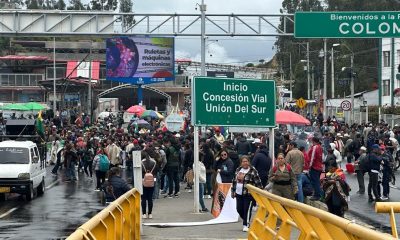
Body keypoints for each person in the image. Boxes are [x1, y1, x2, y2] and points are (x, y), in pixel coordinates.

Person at [231, 156, 263, 232]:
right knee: (239, 209)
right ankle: (246, 219)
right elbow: (234, 181)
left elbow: (258, 183)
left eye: (246, 161)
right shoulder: (238, 169)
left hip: (248, 194)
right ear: (241, 163)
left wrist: (260, 194)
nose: (245, 163)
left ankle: (246, 224)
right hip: (238, 194)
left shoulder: (253, 170)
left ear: (249, 162)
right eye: (243, 161)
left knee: (247, 210)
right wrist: (233, 191)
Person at [141, 151, 157, 219]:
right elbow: (156, 171)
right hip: (152, 181)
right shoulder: (154, 162)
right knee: (150, 198)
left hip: (143, 181)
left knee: (143, 198)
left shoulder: (141, 162)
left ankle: (144, 213)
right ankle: (150, 213)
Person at [307, 137, 324, 201]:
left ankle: (317, 195)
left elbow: (312, 158)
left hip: (314, 167)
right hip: (319, 167)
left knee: (315, 182)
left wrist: (309, 166)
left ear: (313, 141)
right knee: (316, 181)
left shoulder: (315, 147)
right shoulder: (320, 147)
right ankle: (317, 194)